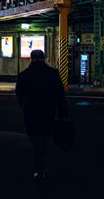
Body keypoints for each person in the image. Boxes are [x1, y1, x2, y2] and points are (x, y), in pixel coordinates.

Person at [15, 50, 68, 181]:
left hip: (31, 113)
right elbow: (60, 95)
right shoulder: (52, 73)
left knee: (35, 141)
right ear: (44, 58)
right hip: (48, 111)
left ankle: (39, 168)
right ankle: (46, 166)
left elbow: (19, 94)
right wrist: (62, 113)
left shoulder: (24, 75)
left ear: (31, 59)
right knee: (46, 138)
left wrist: (24, 106)